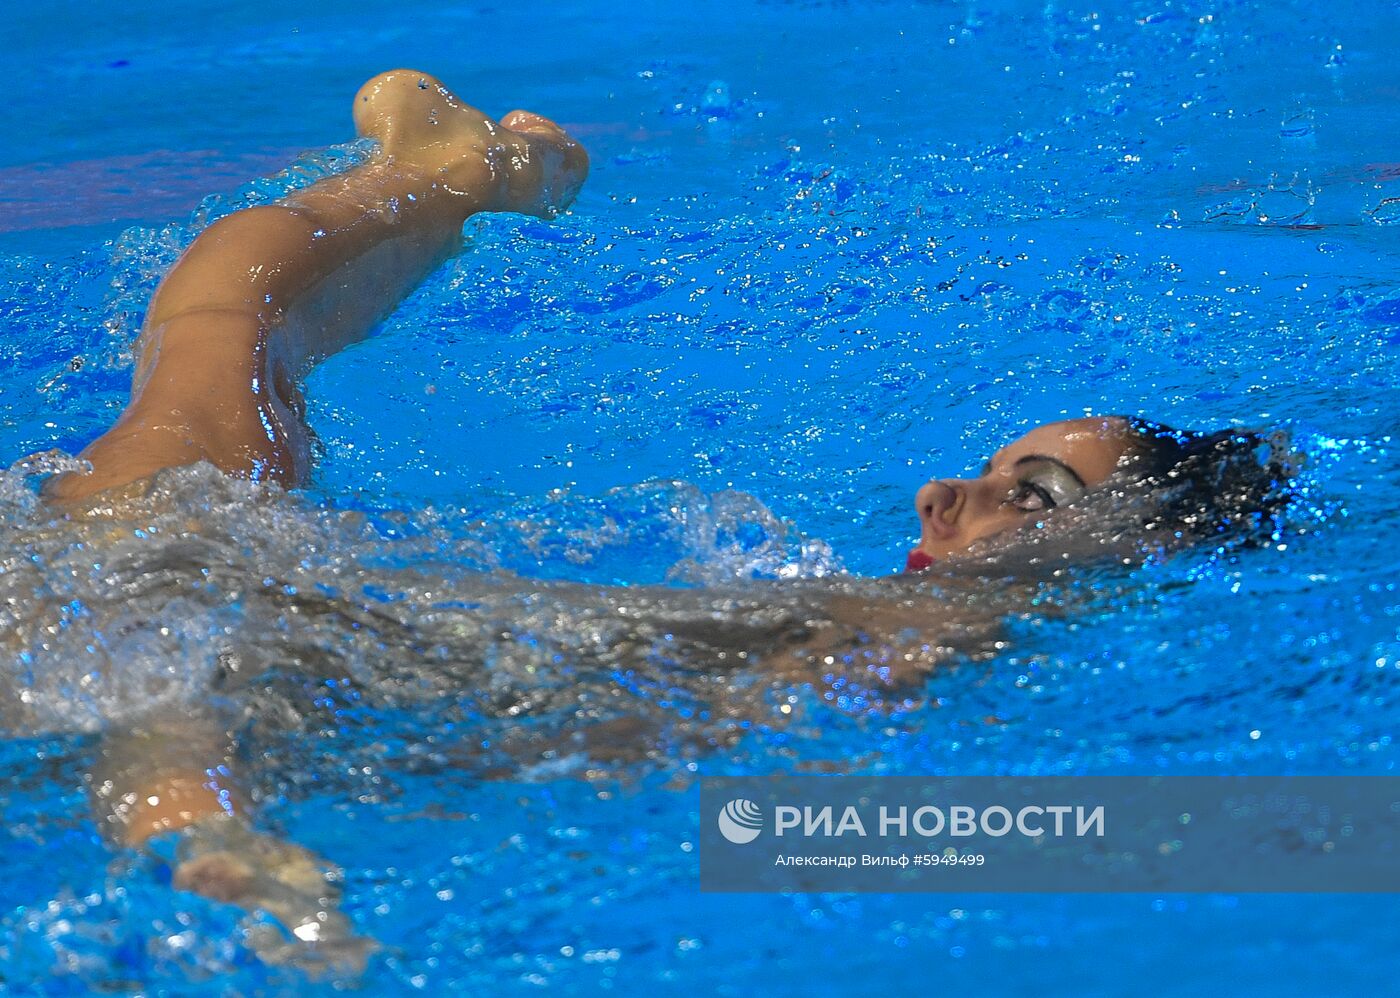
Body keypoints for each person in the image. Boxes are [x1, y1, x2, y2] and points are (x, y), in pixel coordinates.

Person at [33, 69, 1290, 973]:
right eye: (990, 467)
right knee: (217, 339)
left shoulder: (913, 638)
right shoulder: (849, 625)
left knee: (173, 645)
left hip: (206, 626)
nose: (939, 494)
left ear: (1125, 543)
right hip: (182, 575)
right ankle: (447, 175)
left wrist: (1124, 536)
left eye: (1034, 493)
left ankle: (446, 176)